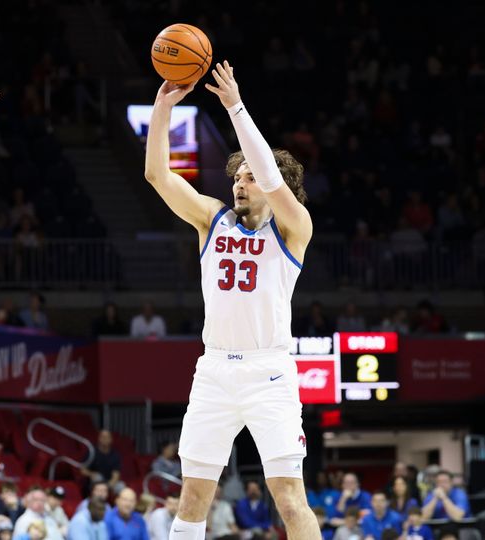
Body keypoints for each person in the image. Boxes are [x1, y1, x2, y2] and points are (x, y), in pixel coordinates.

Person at [143, 60, 319, 539]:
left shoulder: (292, 227)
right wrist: (161, 111)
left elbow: (272, 177)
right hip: (215, 370)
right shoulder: (211, 220)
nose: (238, 183)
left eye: (248, 177)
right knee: (193, 496)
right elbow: (157, 175)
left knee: (288, 496)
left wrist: (235, 106)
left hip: (271, 373)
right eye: (235, 177)